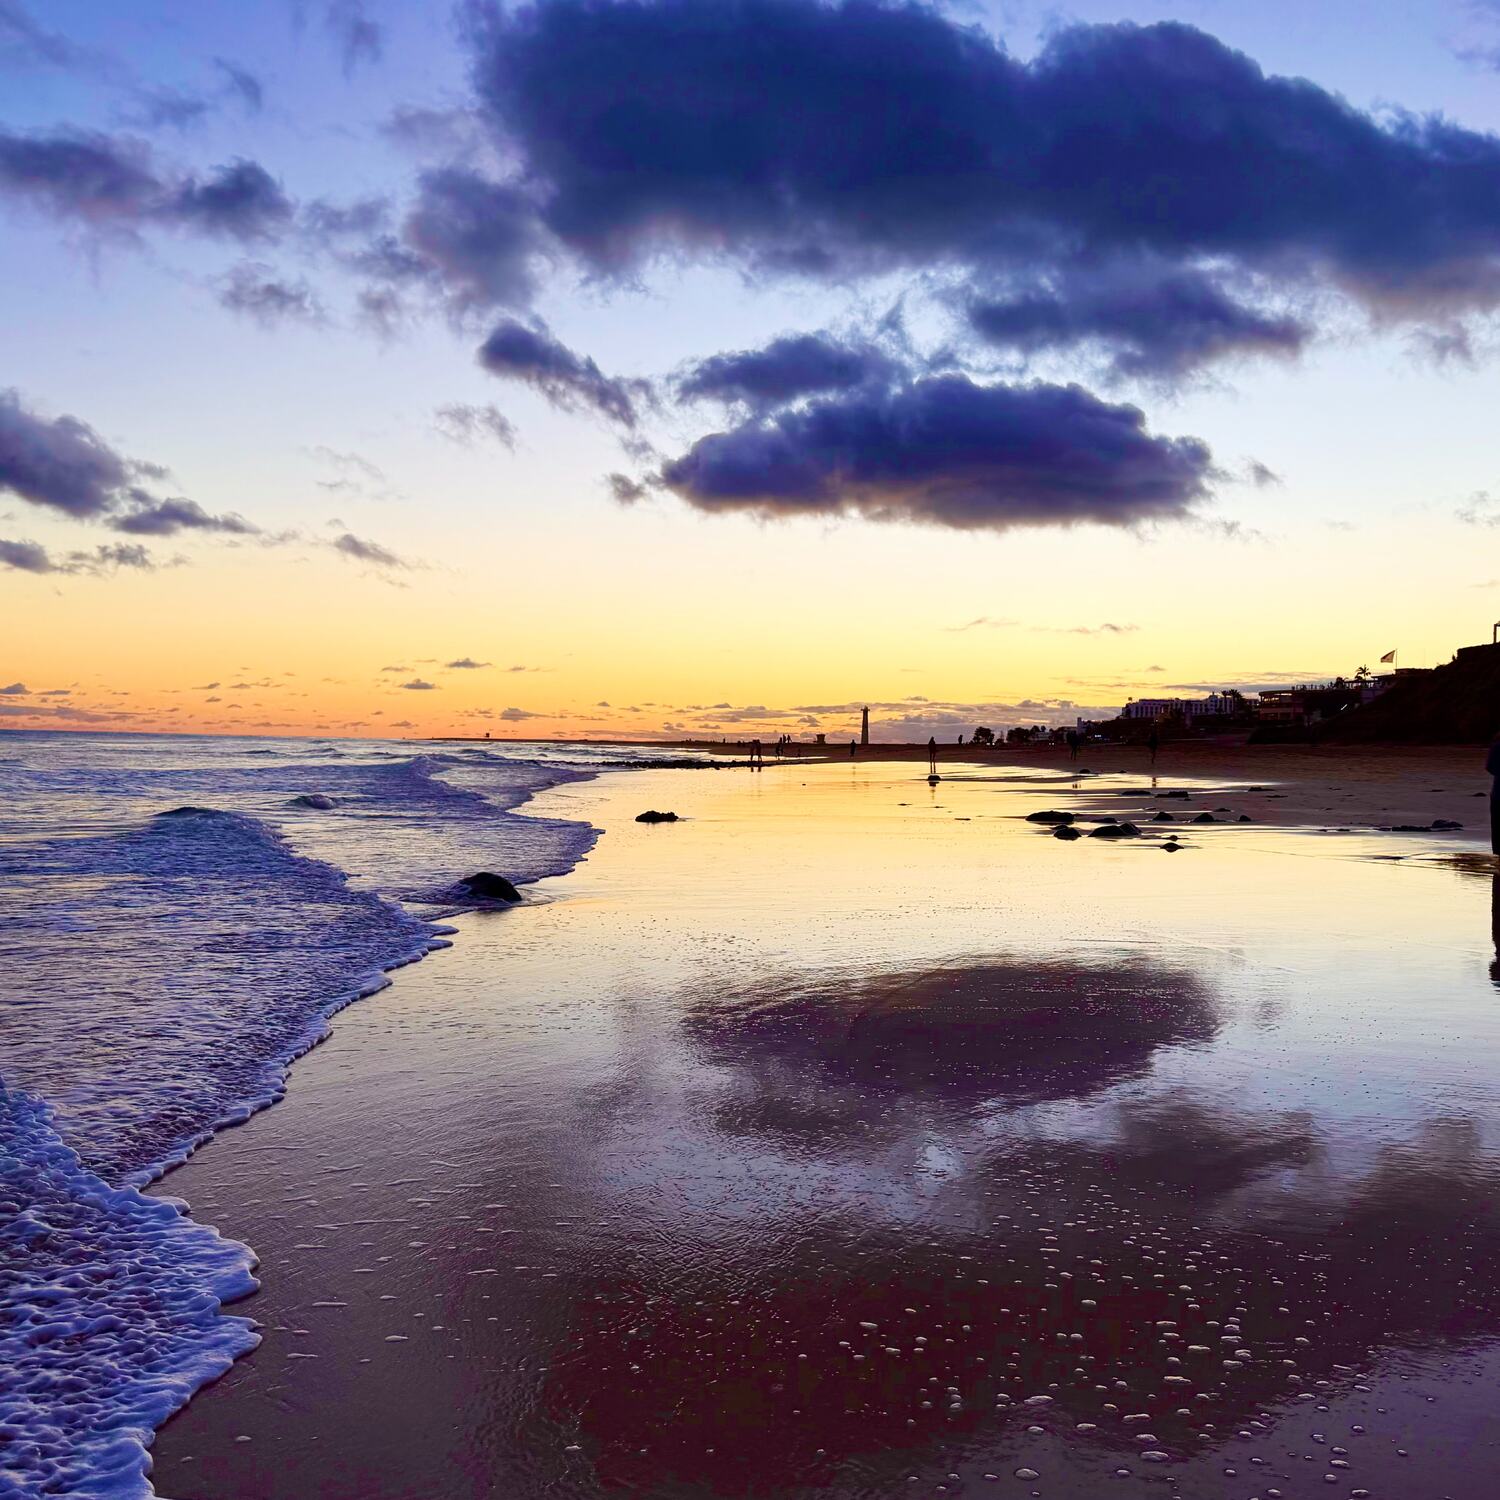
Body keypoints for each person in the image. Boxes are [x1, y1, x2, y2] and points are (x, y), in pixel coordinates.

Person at [1488, 732, 1500, 854]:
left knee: (1496, 827)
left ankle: (1496, 853)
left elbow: (1489, 767)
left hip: (1498, 792)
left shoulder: (1496, 746)